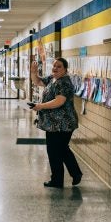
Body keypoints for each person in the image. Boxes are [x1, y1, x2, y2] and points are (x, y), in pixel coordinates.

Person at [30, 58, 83, 188]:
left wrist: (41, 106)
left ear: (65, 69)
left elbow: (59, 101)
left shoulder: (64, 83)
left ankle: (61, 179)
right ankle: (69, 175)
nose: (55, 68)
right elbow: (37, 81)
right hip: (53, 124)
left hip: (63, 123)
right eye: (54, 66)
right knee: (59, 150)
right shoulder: (53, 79)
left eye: (59, 66)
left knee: (57, 151)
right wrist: (33, 72)